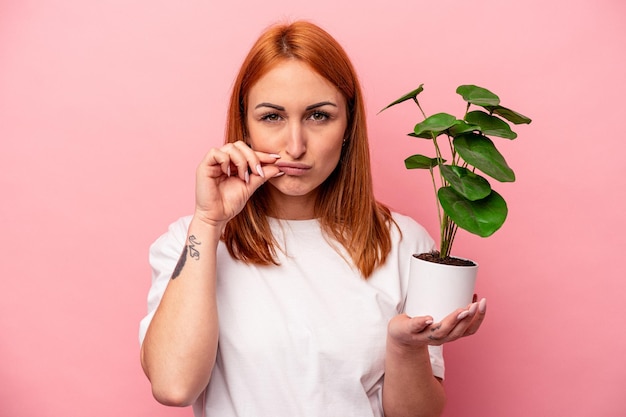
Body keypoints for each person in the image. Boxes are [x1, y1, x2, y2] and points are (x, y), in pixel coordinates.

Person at [139, 20, 486, 417]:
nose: (295, 145)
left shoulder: (406, 244)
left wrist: (405, 347)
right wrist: (208, 221)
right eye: (272, 117)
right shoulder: (191, 241)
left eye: (318, 116)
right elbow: (172, 386)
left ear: (348, 126)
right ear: (245, 126)